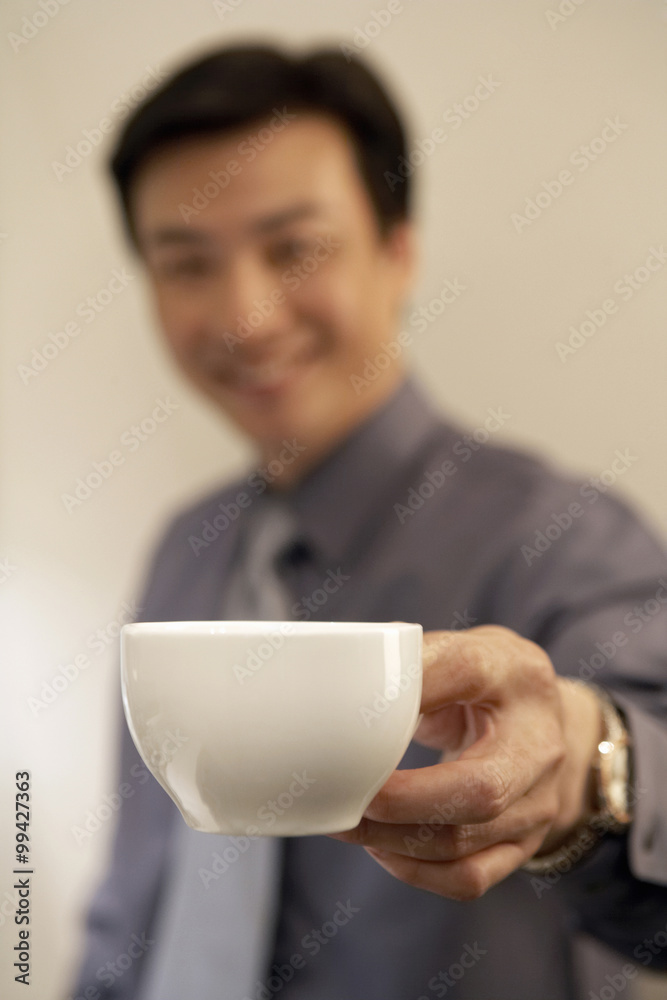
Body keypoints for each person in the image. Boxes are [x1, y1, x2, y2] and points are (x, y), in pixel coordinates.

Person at [70, 43, 667, 1000]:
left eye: (293, 248)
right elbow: (138, 894)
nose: (246, 316)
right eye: (186, 264)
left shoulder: (561, 537)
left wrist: (584, 776)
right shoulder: (184, 551)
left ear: (398, 249)